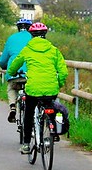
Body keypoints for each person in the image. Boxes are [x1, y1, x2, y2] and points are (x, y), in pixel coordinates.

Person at [7, 22, 67, 155]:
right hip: (51, 88)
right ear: (45, 35)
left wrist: (11, 72)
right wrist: (58, 84)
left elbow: (15, 64)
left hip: (33, 89)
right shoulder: (53, 50)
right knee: (51, 107)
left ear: (31, 35)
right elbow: (63, 72)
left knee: (28, 113)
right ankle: (54, 131)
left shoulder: (27, 49)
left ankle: (27, 144)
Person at [0, 18, 33, 122]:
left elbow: (3, 59)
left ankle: (13, 107)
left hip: (15, 73)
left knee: (12, 88)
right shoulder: (33, 38)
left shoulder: (11, 38)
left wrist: (4, 66)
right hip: (31, 74)